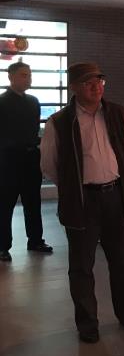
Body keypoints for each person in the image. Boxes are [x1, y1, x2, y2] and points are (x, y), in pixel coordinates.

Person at [40, 62, 124, 343]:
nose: (96, 86)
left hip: (115, 197)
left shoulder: (117, 113)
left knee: (122, 262)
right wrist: (75, 186)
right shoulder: (60, 122)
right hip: (82, 201)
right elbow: (50, 166)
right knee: (81, 267)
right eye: (88, 82)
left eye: (100, 81)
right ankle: (87, 323)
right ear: (74, 87)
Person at [0, 61, 52, 262]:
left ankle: (35, 240)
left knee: (33, 202)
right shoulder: (2, 102)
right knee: (5, 204)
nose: (28, 79)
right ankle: (2, 246)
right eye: (23, 75)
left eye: (29, 75)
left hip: (30, 159)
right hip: (8, 160)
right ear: (10, 77)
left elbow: (34, 130)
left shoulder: (33, 101)